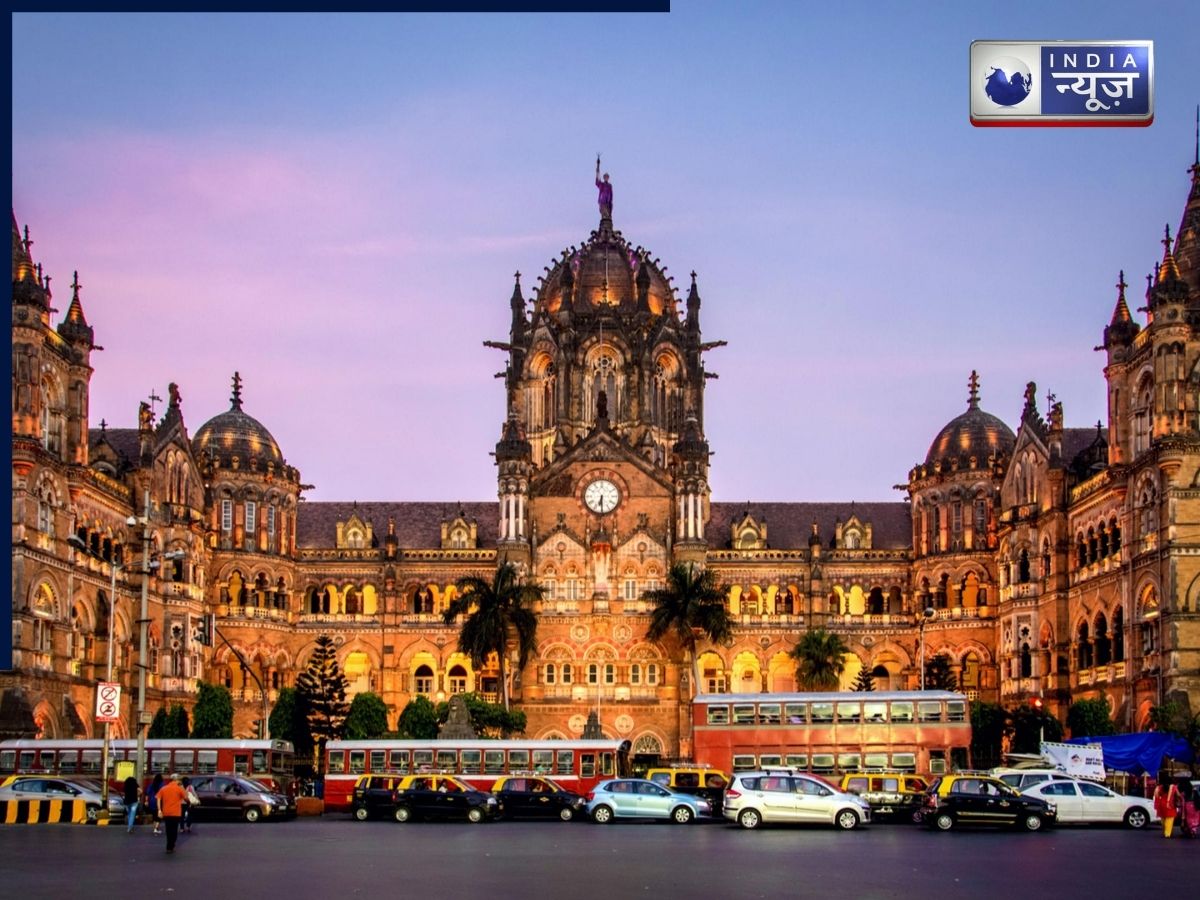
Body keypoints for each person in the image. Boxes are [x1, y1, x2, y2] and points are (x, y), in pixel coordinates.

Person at [157, 773, 187, 855]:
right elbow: (186, 798)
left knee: (168, 829)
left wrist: (159, 810)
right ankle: (171, 845)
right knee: (174, 830)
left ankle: (168, 846)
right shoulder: (179, 788)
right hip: (176, 812)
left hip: (166, 812)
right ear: (176, 780)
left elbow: (158, 798)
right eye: (179, 780)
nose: (180, 781)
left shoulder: (164, 788)